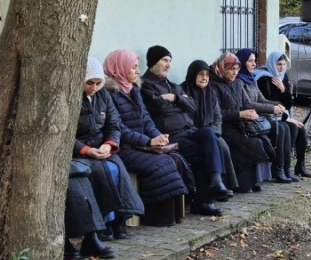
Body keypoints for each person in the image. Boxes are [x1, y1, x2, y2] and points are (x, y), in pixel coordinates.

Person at [103, 49, 191, 224]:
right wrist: (149, 141)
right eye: (133, 67)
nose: (137, 71)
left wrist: (158, 137)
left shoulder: (134, 88)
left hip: (141, 144)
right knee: (161, 163)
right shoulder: (109, 93)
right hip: (123, 148)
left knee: (175, 158)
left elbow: (146, 119)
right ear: (119, 67)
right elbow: (119, 128)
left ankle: (174, 214)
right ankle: (156, 216)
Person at [141, 45, 229, 215]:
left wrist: (175, 98)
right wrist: (181, 102)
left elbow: (192, 106)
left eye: (170, 61)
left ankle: (216, 180)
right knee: (202, 151)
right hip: (170, 135)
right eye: (165, 60)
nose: (169, 65)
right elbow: (158, 106)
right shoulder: (146, 85)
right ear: (153, 62)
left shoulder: (171, 85)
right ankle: (204, 200)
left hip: (189, 130)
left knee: (209, 134)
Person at [75, 57, 145, 240]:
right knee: (101, 171)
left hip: (103, 149)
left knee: (118, 170)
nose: (94, 87)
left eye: (98, 83)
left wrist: (109, 144)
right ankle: (105, 221)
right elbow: (66, 135)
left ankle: (119, 219)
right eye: (89, 83)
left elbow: (114, 125)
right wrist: (86, 150)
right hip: (81, 152)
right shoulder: (72, 98)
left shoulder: (103, 95)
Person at [210, 53, 274, 192]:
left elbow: (246, 103)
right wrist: (239, 114)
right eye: (231, 69)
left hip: (241, 125)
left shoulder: (237, 83)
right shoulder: (213, 86)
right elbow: (217, 114)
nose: (234, 73)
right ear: (221, 68)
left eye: (237, 69)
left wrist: (250, 112)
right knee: (252, 143)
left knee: (262, 140)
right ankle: (243, 183)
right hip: (224, 127)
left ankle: (253, 180)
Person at [179, 58, 238, 196]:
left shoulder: (210, 93)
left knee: (222, 145)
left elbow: (218, 118)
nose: (204, 78)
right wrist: (202, 133)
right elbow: (182, 119)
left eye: (207, 75)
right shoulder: (182, 91)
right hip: (191, 133)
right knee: (213, 146)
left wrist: (214, 132)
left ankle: (224, 185)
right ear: (193, 74)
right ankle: (216, 186)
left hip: (210, 132)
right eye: (201, 74)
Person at [236, 48, 296, 182]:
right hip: (249, 120)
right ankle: (278, 170)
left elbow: (261, 99)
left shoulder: (251, 79)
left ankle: (285, 168)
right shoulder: (239, 81)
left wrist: (276, 105)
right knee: (280, 128)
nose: (254, 64)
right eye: (250, 61)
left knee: (287, 127)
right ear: (242, 62)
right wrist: (272, 108)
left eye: (254, 61)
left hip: (259, 117)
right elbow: (249, 103)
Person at [256, 51, 310, 177]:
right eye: (279, 64)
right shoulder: (263, 78)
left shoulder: (282, 77)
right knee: (291, 127)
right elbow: (267, 103)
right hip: (268, 116)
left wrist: (283, 89)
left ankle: (300, 165)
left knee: (300, 128)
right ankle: (284, 166)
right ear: (272, 64)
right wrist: (287, 118)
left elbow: (289, 104)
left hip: (280, 114)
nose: (281, 68)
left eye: (284, 64)